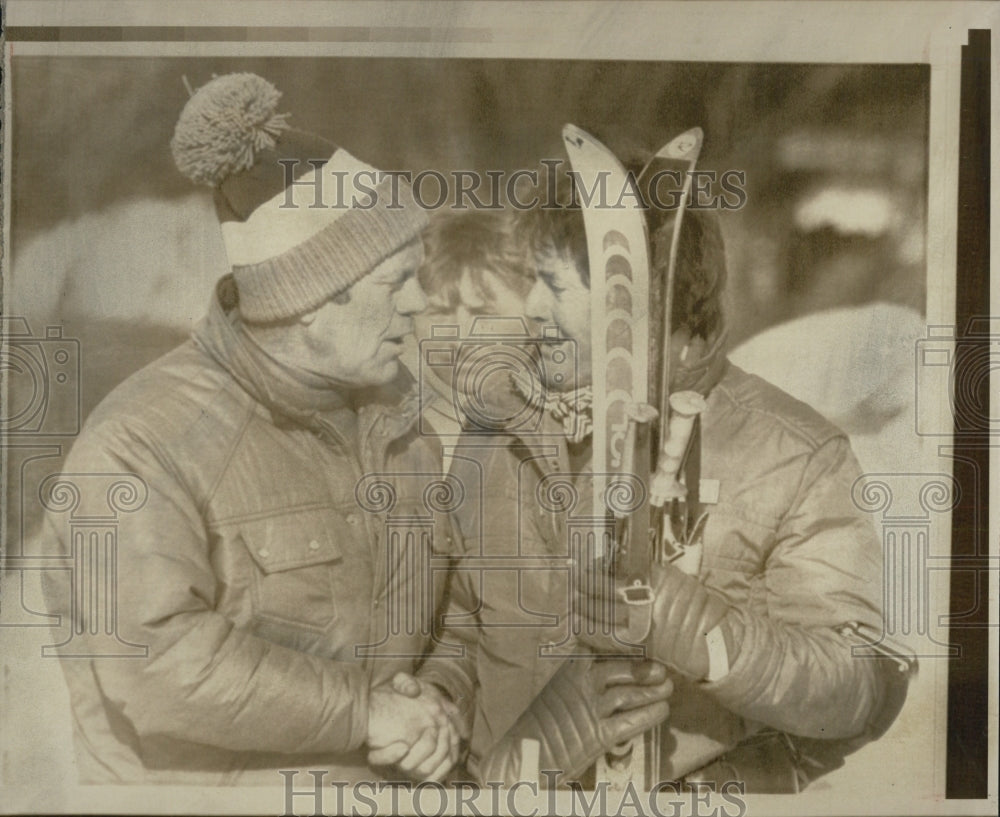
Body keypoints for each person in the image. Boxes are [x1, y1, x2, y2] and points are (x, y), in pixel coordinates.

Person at [38, 72, 465, 784]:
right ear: (308, 303)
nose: (422, 302)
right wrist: (368, 712)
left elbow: (456, 608)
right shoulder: (141, 444)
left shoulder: (400, 413)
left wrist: (441, 698)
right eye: (396, 282)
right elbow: (156, 662)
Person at [419, 185, 896, 790]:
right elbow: (460, 621)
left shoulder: (792, 454)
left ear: (639, 303)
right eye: (532, 281)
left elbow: (851, 687)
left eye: (556, 287)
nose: (532, 307)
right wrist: (438, 702)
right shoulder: (498, 422)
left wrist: (699, 632)